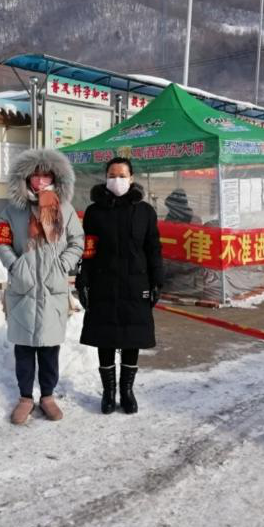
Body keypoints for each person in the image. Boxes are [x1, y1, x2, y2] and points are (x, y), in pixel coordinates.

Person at [0, 148, 84, 425]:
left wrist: (62, 264)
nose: (41, 180)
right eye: (36, 175)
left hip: (53, 288)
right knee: (24, 348)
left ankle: (47, 396)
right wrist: (15, 266)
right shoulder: (12, 211)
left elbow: (77, 242)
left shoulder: (65, 210)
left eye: (46, 175)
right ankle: (25, 398)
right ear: (26, 179)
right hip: (24, 288)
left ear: (56, 178)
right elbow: (1, 241)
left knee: (49, 348)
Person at [76, 157, 164, 415]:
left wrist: (157, 280)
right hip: (103, 283)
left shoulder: (145, 212)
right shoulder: (94, 212)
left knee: (131, 338)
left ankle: (127, 391)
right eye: (112, 175)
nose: (117, 180)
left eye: (122, 175)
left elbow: (153, 249)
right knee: (105, 338)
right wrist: (83, 279)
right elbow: (88, 249)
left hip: (136, 284)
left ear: (131, 178)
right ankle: (108, 392)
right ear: (105, 178)